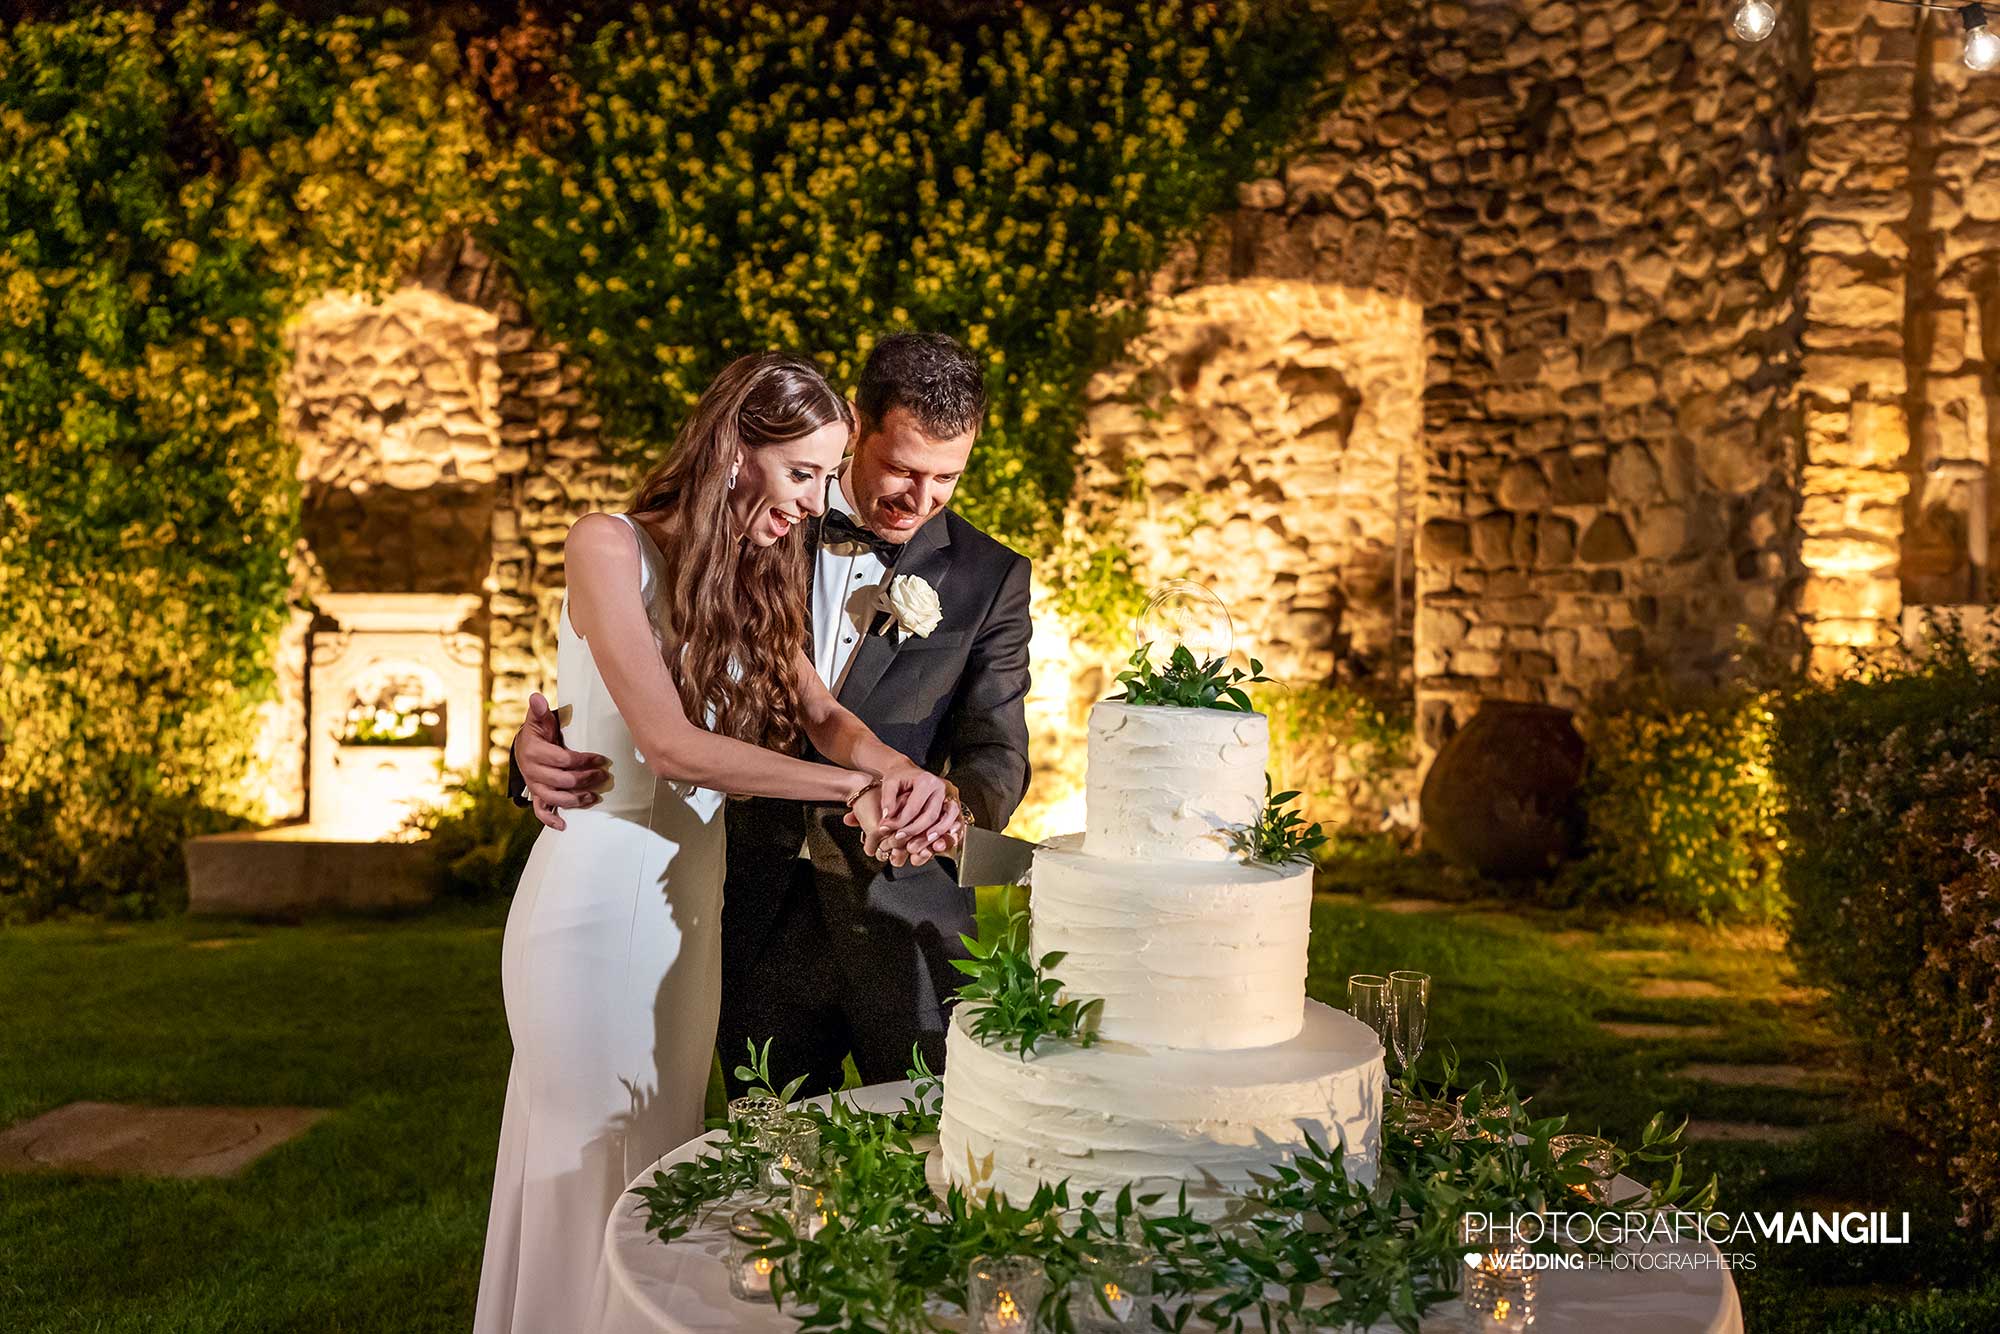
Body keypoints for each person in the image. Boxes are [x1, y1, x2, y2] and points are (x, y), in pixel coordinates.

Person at [473, 352, 957, 1334]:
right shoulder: (607, 546)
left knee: (655, 1159)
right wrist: (858, 787)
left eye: (828, 475)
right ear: (736, 448)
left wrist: (893, 768)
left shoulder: (757, 568)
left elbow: (820, 714)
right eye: (804, 473)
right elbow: (670, 743)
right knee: (592, 1165)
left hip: (686, 910)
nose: (822, 501)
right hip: (596, 904)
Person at [512, 332, 1032, 1098]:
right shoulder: (753, 521)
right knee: (769, 1163)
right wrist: (537, 746)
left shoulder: (991, 577)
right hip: (741, 905)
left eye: (946, 480)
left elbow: (997, 750)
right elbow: (635, 678)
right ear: (858, 426)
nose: (920, 500)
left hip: (896, 906)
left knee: (940, 1150)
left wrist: (939, 803)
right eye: (903, 469)